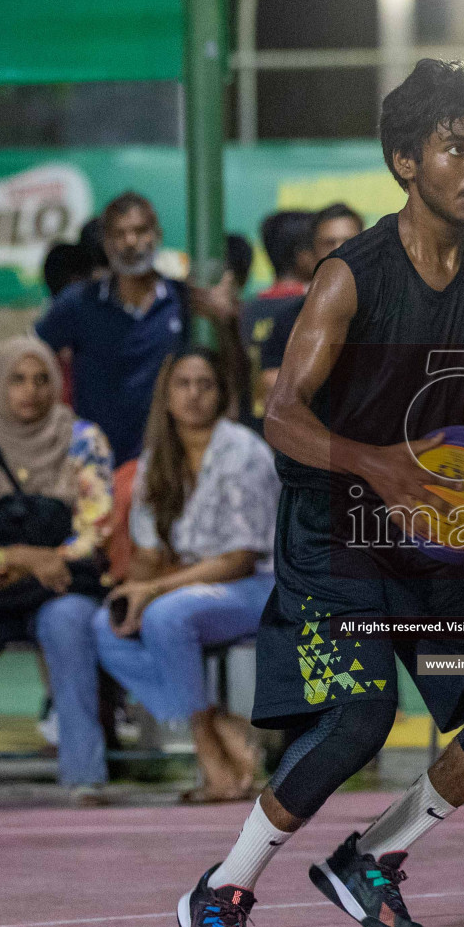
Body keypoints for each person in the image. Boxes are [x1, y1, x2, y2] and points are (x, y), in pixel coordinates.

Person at [175, 58, 464, 927]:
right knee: (359, 716)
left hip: (434, 527)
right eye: (455, 146)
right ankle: (220, 894)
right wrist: (375, 463)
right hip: (335, 530)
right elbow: (282, 416)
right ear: (404, 161)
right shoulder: (351, 278)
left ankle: (372, 858)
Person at [93, 348, 278, 802]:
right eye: (183, 384)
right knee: (106, 624)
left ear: (221, 395)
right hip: (191, 586)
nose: (194, 395)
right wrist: (134, 591)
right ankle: (217, 723)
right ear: (167, 396)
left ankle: (211, 762)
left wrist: (153, 591)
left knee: (168, 616)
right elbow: (149, 553)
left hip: (259, 587)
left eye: (205, 384)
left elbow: (240, 559)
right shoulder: (157, 460)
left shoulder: (244, 452)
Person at [0, 337, 114, 807]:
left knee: (69, 621)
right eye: (16, 379)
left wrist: (33, 562)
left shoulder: (83, 441)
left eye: (41, 379)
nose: (30, 391)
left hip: (60, 586)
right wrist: (20, 559)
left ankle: (84, 774)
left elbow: (95, 530)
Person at [35, 192, 229, 462]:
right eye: (119, 234)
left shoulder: (182, 300)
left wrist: (225, 319)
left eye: (140, 231)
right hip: (96, 465)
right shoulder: (79, 303)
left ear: (157, 235)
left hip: (166, 465)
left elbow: (225, 371)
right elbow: (29, 357)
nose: (130, 242)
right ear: (106, 243)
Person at [240, 210, 317, 422]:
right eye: (321, 244)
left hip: (255, 424)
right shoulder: (312, 308)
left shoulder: (248, 308)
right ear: (303, 256)